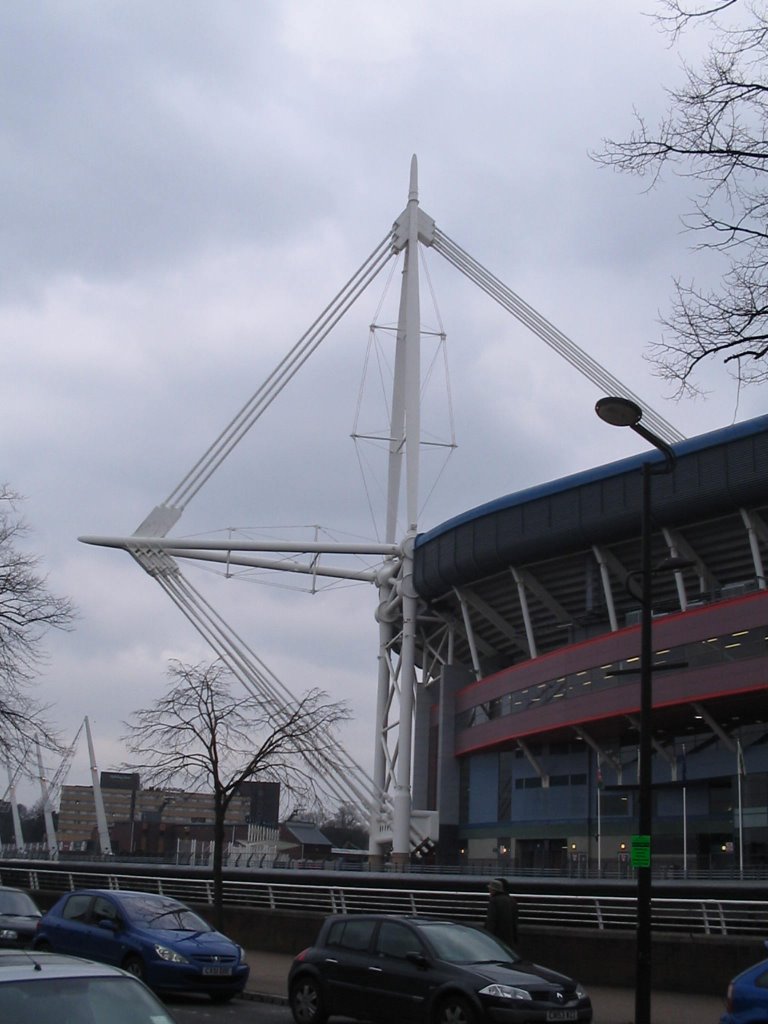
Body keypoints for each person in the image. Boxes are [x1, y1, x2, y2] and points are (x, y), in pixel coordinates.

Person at [485, 877, 518, 947]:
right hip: (509, 939)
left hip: (497, 939)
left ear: (495, 889)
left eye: (490, 888)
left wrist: (488, 937)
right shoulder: (512, 900)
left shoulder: (494, 901)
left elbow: (491, 921)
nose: (489, 890)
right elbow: (515, 922)